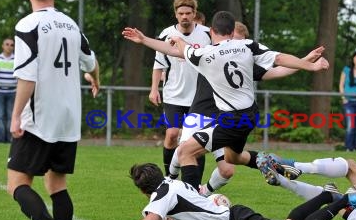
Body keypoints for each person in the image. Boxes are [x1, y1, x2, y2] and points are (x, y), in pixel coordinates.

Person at [122, 11, 329, 190]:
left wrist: (146, 40)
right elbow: (280, 59)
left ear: (212, 31)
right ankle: (272, 162)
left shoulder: (204, 53)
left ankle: (191, 204)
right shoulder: (247, 47)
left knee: (186, 151)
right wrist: (307, 64)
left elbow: (178, 49)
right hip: (246, 116)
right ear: (232, 32)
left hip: (228, 119)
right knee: (232, 158)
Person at [6, 0, 100, 220]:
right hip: (69, 118)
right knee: (57, 185)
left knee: (17, 184)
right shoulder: (72, 25)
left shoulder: (28, 25)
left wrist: (16, 115)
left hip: (40, 116)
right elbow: (91, 62)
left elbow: (28, 78)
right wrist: (96, 80)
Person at [91, 163, 356, 220]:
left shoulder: (161, 197)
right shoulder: (169, 185)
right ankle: (327, 194)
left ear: (142, 191)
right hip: (234, 218)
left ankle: (345, 198)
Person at [148, 0, 211, 175]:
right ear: (176, 14)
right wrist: (154, 89)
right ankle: (170, 176)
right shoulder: (167, 34)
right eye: (181, 13)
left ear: (194, 14)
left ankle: (194, 185)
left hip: (199, 97)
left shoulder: (207, 34)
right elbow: (159, 64)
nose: (184, 16)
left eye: (188, 13)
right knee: (172, 134)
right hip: (174, 95)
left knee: (196, 140)